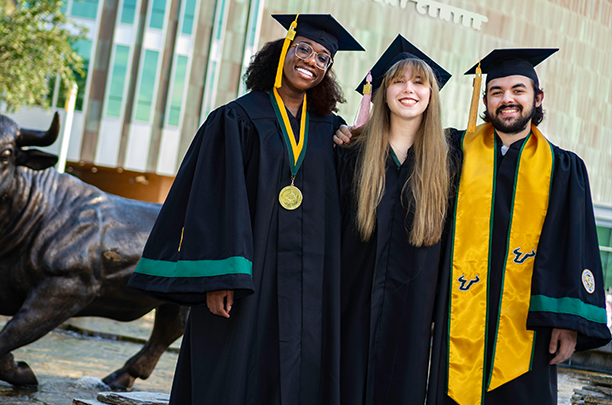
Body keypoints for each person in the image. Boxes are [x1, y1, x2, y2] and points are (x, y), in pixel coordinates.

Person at [127, 14, 364, 405]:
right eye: (303, 48)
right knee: (236, 368)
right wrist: (220, 277)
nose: (312, 61)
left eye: (324, 57)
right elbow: (212, 202)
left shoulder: (330, 130)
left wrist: (351, 148)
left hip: (310, 281)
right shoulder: (235, 118)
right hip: (247, 276)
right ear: (282, 50)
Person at [423, 49, 612, 405]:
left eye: (518, 90)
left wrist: (568, 322)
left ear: (537, 98)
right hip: (459, 318)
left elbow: (576, 247)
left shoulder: (563, 168)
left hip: (529, 328)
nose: (507, 99)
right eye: (496, 92)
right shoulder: (453, 151)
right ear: (485, 99)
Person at [334, 35, 456, 405]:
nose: (408, 89)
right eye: (398, 81)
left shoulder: (451, 163)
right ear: (382, 92)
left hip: (414, 317)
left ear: (431, 94)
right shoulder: (349, 153)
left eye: (419, 82)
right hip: (349, 308)